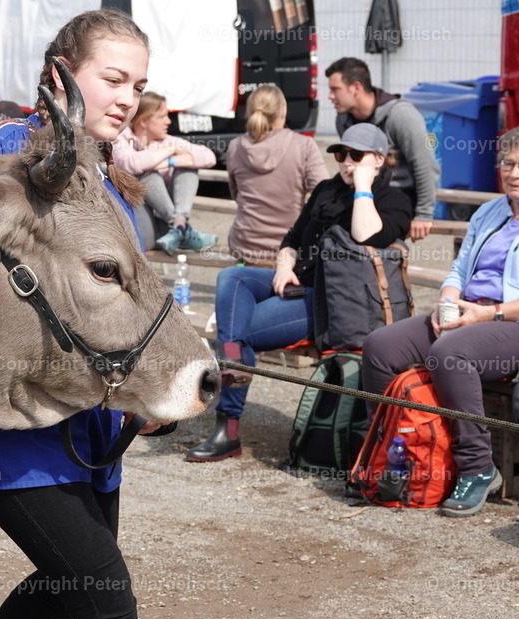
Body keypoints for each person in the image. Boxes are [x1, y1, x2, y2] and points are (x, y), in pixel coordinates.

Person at [0, 10, 162, 619]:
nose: (128, 97)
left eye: (138, 83)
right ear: (62, 76)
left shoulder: (109, 178)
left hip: (91, 423)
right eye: (113, 77)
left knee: (73, 581)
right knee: (105, 594)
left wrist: (158, 376)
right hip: (11, 424)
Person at [187, 123, 411, 462]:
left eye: (356, 155)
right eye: (340, 154)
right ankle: (232, 362)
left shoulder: (393, 199)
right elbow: (292, 237)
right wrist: (284, 265)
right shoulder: (326, 189)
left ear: (378, 159)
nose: (346, 161)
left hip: (332, 299)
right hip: (298, 281)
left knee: (240, 332)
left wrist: (362, 187)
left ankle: (227, 428)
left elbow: (367, 236)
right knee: (233, 276)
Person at [361, 127, 519, 517]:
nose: (514, 173)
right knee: (380, 347)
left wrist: (489, 313)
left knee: (449, 352)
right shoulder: (490, 211)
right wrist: (447, 300)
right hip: (469, 310)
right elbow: (460, 269)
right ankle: (391, 452)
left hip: (508, 320)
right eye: (509, 163)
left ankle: (477, 466)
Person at [326, 57, 441, 242]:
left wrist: (424, 214)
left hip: (396, 200)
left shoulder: (400, 115)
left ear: (356, 87)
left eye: (335, 89)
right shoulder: (343, 120)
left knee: (370, 245)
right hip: (361, 194)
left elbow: (425, 163)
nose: (329, 96)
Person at [226, 85, 328, 265]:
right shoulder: (304, 146)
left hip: (245, 244)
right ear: (283, 110)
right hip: (291, 248)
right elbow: (325, 195)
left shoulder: (235, 146)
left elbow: (236, 195)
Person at [113, 90, 218, 254]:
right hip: (139, 209)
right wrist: (170, 151)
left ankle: (179, 224)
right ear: (144, 121)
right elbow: (130, 163)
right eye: (162, 116)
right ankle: (180, 228)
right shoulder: (122, 137)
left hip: (165, 217)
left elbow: (209, 156)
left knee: (187, 167)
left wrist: (170, 160)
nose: (168, 121)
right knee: (147, 172)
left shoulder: (167, 140)